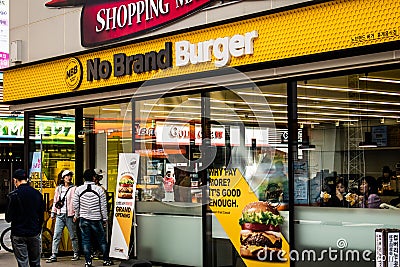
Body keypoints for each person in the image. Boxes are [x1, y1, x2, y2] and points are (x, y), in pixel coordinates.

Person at [73, 169, 113, 267]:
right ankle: (106, 260)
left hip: (83, 218)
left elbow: (76, 205)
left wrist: (77, 215)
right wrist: (105, 218)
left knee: (86, 240)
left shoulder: (78, 189)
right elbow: (103, 206)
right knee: (102, 240)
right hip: (96, 218)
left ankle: (88, 262)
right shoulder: (99, 189)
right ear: (94, 178)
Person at [5, 169, 45, 267]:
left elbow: (8, 218)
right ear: (27, 179)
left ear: (15, 180)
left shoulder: (13, 195)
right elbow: (41, 215)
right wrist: (38, 229)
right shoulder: (37, 194)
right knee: (35, 262)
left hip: (18, 232)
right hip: (33, 232)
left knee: (23, 262)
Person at [46, 170, 79, 263]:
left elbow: (76, 202)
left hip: (70, 215)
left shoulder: (74, 188)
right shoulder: (58, 189)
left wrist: (76, 214)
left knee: (73, 235)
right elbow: (56, 201)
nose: (69, 178)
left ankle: (76, 252)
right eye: (67, 176)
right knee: (56, 235)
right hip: (60, 215)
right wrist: (53, 212)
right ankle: (53, 254)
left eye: (70, 176)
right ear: (63, 178)